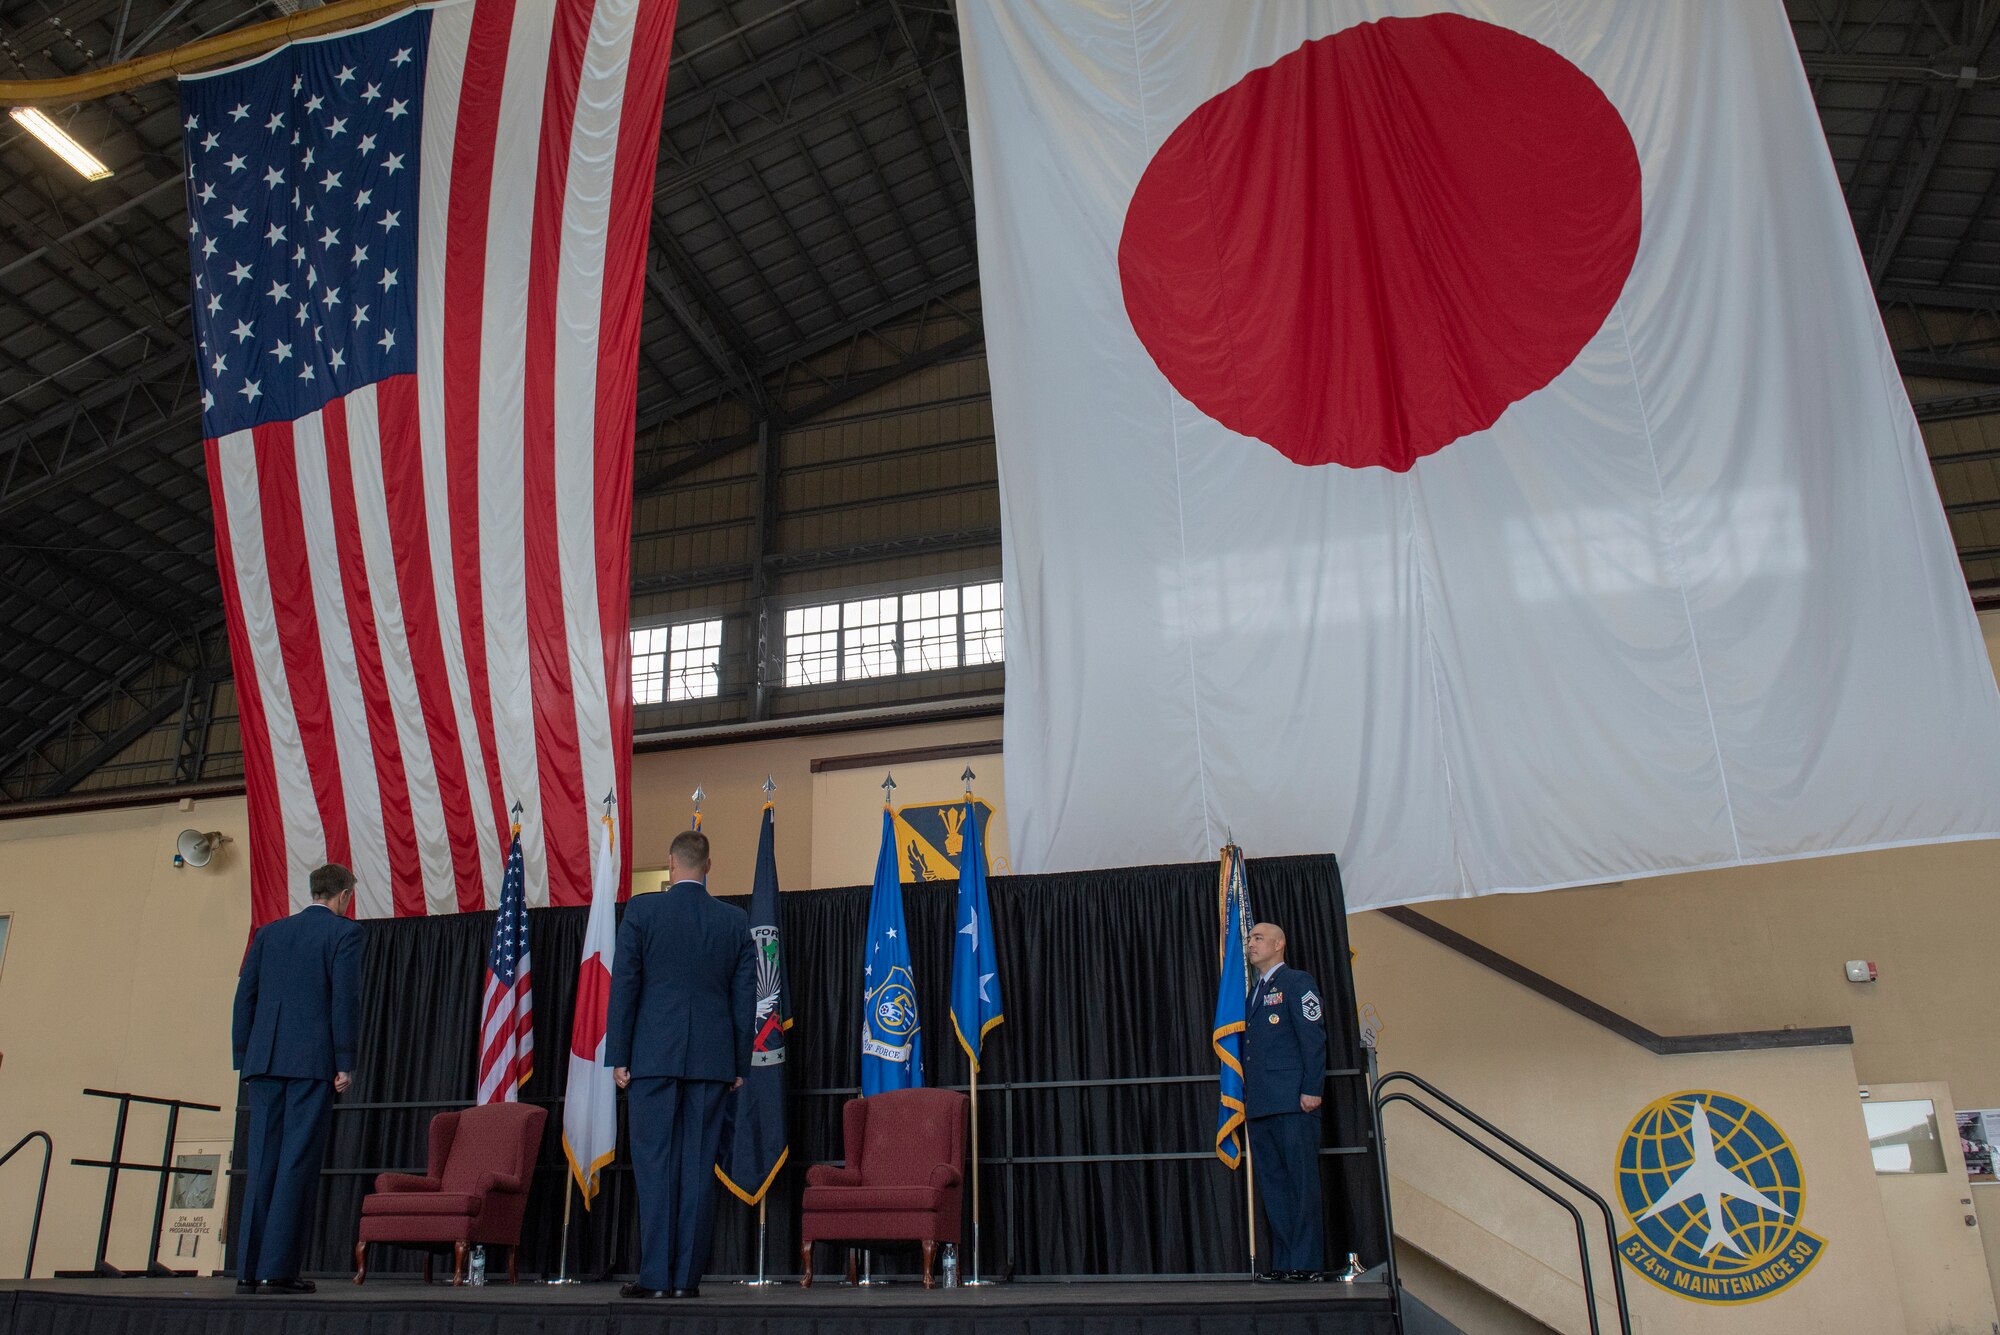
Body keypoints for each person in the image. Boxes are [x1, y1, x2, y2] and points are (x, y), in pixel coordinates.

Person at [606, 829, 755, 1299]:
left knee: (654, 1166)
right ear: (708, 866)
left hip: (652, 1057)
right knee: (697, 1167)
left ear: (671, 864)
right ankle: (686, 1281)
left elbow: (625, 985)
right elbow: (744, 997)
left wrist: (619, 1056)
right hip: (712, 1061)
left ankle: (655, 1278)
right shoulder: (735, 921)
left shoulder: (643, 910)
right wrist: (739, 1063)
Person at [230, 863, 363, 1295]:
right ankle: (277, 1270)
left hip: (264, 1062)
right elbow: (343, 1001)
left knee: (262, 1163)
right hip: (311, 1063)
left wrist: (245, 1057)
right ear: (343, 895)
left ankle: (248, 1271)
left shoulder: (268, 933)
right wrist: (345, 1061)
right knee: (296, 1163)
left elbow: (244, 996)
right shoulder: (344, 934)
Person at [1241, 920, 1328, 1282]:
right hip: (1261, 1103)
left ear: (1279, 943)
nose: (1250, 943)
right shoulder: (1254, 993)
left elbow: (1313, 1038)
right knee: (1274, 1186)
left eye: (1258, 937)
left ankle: (1306, 1262)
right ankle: (1284, 1261)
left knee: (1300, 1183)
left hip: (1294, 1101)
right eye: (1249, 938)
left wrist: (1312, 1088)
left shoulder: (1297, 982)